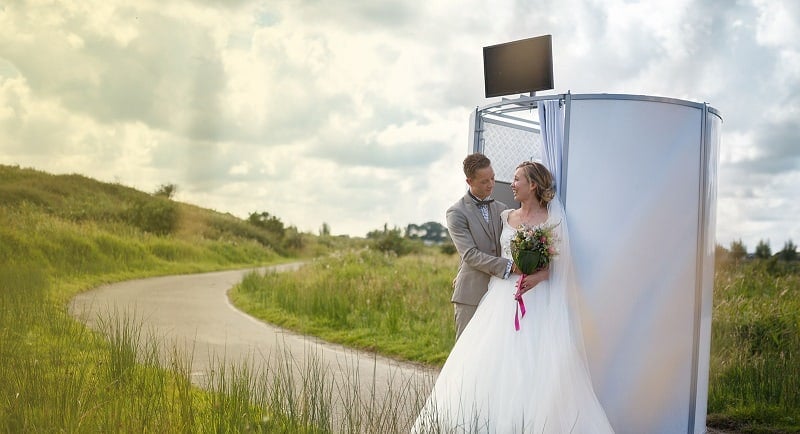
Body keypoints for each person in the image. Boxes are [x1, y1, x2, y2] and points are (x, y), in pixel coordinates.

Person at [414, 161, 614, 433]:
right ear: (470, 180)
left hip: (539, 298)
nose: (509, 184)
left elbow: (560, 263)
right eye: (490, 180)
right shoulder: (504, 216)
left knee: (536, 361)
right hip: (500, 295)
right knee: (488, 360)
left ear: (533, 184)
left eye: (516, 179)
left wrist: (540, 276)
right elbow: (474, 252)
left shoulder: (550, 218)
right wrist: (503, 269)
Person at [446, 154, 547, 340]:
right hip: (471, 293)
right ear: (469, 181)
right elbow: (470, 254)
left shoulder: (503, 210)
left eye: (492, 178)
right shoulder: (456, 213)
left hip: (503, 295)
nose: (491, 184)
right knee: (468, 352)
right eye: (484, 181)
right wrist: (510, 267)